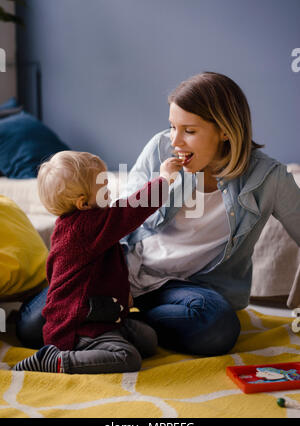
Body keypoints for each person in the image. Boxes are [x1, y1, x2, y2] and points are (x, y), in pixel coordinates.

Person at [16, 72, 300, 357]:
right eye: (172, 126)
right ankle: (112, 321)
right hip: (123, 271)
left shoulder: (268, 178)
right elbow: (124, 212)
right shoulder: (160, 148)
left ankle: (115, 322)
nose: (175, 140)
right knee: (31, 328)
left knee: (217, 327)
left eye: (189, 131)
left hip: (184, 289)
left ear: (225, 131)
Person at [13, 150, 183, 374]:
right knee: (128, 357)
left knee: (148, 340)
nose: (110, 191)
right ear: (83, 203)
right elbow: (132, 209)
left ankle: (103, 341)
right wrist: (164, 179)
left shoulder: (78, 225)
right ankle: (57, 360)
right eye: (103, 186)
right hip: (79, 327)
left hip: (104, 315)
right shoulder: (86, 227)